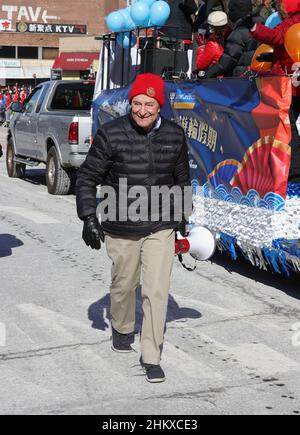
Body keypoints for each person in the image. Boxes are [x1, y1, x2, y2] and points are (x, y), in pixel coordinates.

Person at [76, 73, 191, 383]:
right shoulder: (111, 134)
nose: (142, 110)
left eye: (149, 105)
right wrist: (89, 216)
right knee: (124, 284)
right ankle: (122, 326)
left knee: (156, 289)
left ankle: (151, 355)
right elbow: (87, 177)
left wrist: (182, 220)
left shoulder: (174, 135)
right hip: (121, 223)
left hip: (160, 224)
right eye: (137, 103)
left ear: (159, 106)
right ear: (131, 104)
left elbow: (182, 179)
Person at [241, 0, 300, 180]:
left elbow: (274, 37)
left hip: (289, 86)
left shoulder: (291, 24)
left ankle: (295, 171)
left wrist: (253, 27)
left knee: (287, 127)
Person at [203, 0, 260, 78]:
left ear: (236, 11)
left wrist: (205, 75)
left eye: (230, 10)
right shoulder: (261, 26)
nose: (229, 14)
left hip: (239, 79)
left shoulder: (239, 33)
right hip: (258, 76)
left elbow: (226, 62)